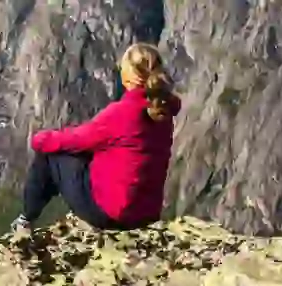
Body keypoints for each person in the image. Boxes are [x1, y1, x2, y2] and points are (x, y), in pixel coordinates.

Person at [13, 43, 179, 231]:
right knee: (93, 154)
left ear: (129, 77)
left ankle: (25, 221)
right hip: (145, 216)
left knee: (49, 154)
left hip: (113, 215)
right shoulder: (162, 114)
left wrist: (38, 139)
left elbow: (75, 140)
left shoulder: (121, 114)